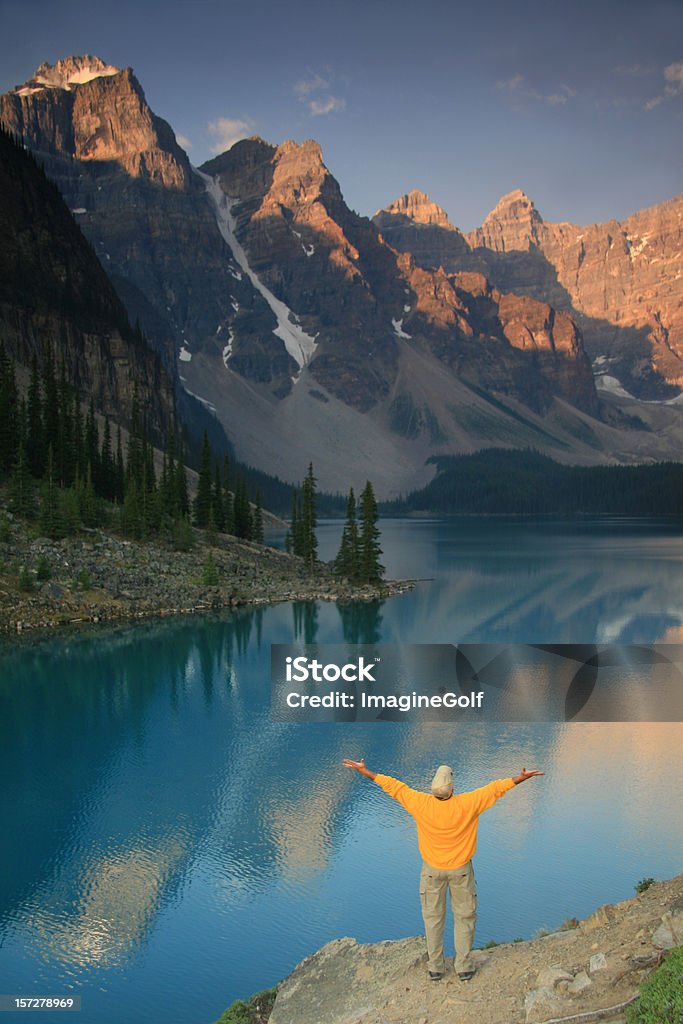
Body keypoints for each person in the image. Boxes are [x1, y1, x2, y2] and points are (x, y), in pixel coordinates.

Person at [342, 758, 544, 982]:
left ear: (432, 788)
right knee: (464, 917)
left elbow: (393, 786)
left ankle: (436, 967)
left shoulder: (420, 803)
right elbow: (495, 789)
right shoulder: (468, 803)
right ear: (453, 789)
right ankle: (464, 967)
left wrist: (365, 771)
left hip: (431, 871)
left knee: (433, 919)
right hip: (461, 871)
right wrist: (521, 778)